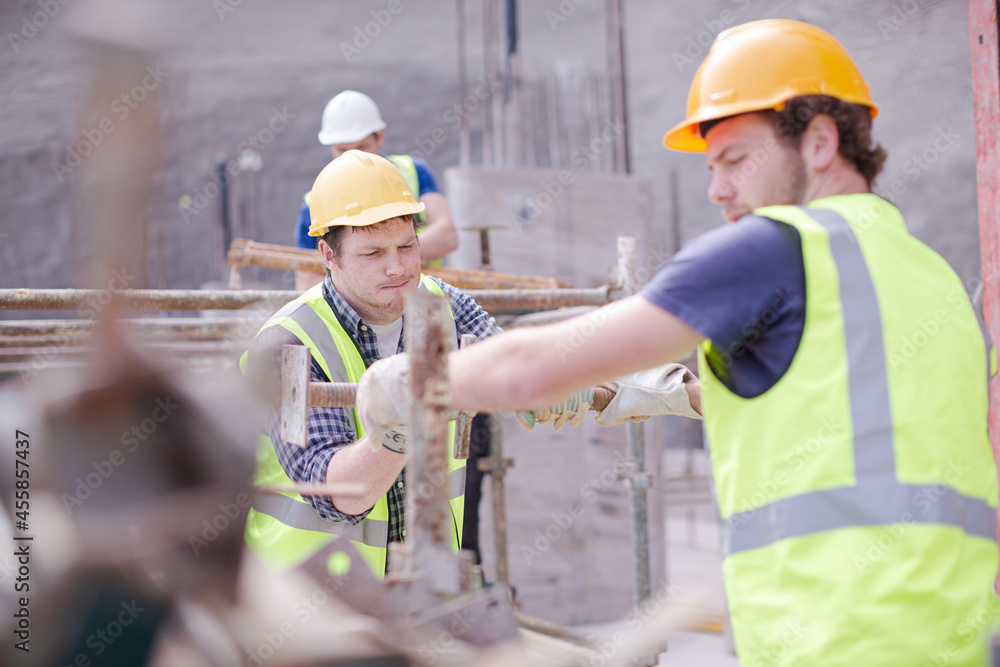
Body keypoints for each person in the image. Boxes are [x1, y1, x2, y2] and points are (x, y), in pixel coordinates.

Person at [358, 19, 999, 666]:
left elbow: (527, 369)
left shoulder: (775, 247)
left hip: (833, 641)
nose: (717, 190)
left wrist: (399, 382)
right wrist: (648, 393)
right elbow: (835, 418)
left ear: (821, 141)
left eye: (735, 160)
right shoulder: (934, 278)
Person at [243, 149, 498, 578]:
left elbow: (505, 357)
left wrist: (567, 385)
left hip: (421, 589)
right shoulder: (287, 345)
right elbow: (338, 494)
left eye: (406, 246)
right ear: (328, 255)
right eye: (373, 253)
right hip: (314, 609)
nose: (397, 267)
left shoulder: (439, 301)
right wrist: (402, 424)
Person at [294, 90, 458, 290]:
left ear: (380, 136)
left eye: (362, 146)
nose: (353, 156)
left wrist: (373, 257)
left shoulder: (414, 172)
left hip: (423, 298)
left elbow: (447, 236)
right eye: (342, 150)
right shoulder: (314, 202)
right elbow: (308, 280)